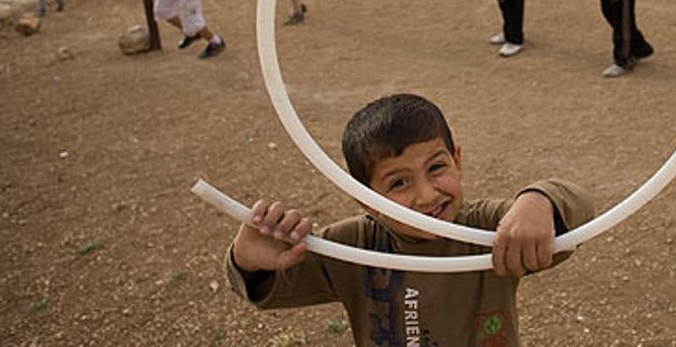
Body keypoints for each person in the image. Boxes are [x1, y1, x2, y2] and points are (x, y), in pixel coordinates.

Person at [225, 92, 593, 345]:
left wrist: (540, 199)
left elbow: (577, 219)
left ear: (458, 160)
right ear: (364, 198)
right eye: (398, 182)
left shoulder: (484, 228)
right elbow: (269, 290)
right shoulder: (353, 248)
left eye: (437, 167)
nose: (427, 194)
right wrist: (249, 262)